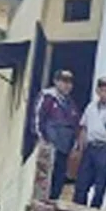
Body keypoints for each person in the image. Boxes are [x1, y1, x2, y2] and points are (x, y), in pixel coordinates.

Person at [73, 77, 106, 209]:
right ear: (97, 91)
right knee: (82, 181)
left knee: (101, 183)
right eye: (102, 90)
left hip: (105, 147)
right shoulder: (91, 107)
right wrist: (79, 148)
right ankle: (78, 210)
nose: (104, 94)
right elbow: (84, 128)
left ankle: (94, 209)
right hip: (90, 146)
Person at [35, 70, 80, 200]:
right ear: (56, 81)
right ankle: (44, 200)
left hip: (65, 146)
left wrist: (74, 145)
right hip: (50, 144)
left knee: (59, 175)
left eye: (69, 82)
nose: (67, 85)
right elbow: (38, 118)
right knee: (46, 175)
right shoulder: (48, 96)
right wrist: (43, 140)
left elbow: (76, 124)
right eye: (63, 81)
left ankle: (54, 199)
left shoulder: (70, 102)